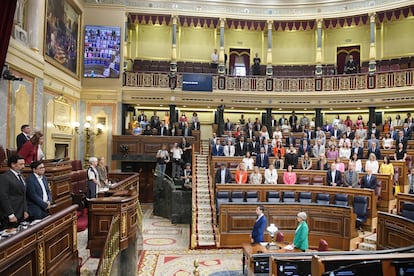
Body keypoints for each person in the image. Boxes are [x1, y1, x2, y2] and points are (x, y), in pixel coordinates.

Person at [0, 155, 29, 229]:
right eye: (21, 164)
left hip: (21, 213)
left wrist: (25, 210)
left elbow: (23, 195)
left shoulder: (21, 176)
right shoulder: (5, 177)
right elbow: (3, 197)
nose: (23, 166)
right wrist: (11, 215)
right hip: (11, 215)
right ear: (13, 164)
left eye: (24, 164)